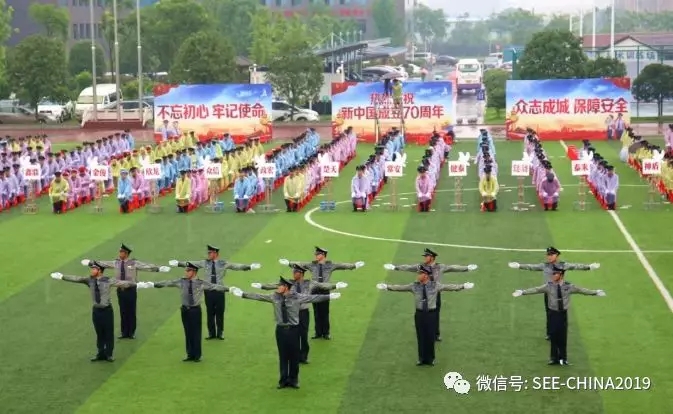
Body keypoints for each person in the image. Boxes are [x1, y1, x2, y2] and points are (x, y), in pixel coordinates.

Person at [230, 279, 340, 389]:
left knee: (294, 356)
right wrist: (243, 294)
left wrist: (329, 297)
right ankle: (283, 381)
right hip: (280, 330)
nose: (278, 287)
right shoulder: (274, 297)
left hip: (293, 330)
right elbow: (259, 296)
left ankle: (293, 380)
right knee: (283, 356)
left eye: (280, 286)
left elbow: (313, 298)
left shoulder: (296, 297)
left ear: (286, 287)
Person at [376, 265, 474, 366]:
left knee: (430, 336)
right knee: (421, 336)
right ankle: (421, 359)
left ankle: (430, 359)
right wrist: (387, 287)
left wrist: (463, 286)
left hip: (431, 314)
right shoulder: (414, 286)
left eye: (421, 274)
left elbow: (448, 287)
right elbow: (401, 288)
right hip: (419, 314)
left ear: (426, 275)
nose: (418, 276)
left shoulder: (435, 285)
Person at [251, 264, 348, 364]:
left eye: (295, 272)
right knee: (294, 336)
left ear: (301, 273)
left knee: (304, 335)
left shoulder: (309, 283)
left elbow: (322, 285)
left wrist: (336, 286)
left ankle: (303, 357)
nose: (293, 273)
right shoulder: (289, 283)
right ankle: (295, 356)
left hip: (303, 313)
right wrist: (261, 286)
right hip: (292, 313)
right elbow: (274, 285)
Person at [513, 265, 605, 365]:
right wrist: (522, 292)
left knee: (562, 337)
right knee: (553, 336)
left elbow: (582, 290)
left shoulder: (568, 286)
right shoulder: (548, 286)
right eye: (553, 274)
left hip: (563, 314)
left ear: (561, 275)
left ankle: (563, 359)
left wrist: (595, 292)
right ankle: (554, 358)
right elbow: (536, 290)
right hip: (553, 314)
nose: (553, 276)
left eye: (555, 274)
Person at [141, 262, 231, 362]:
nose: (186, 272)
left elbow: (215, 286)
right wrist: (153, 284)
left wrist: (229, 289)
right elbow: (168, 283)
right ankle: (189, 354)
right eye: (186, 270)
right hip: (185, 310)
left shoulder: (201, 283)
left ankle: (197, 355)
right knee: (188, 332)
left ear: (194, 272)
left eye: (188, 270)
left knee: (196, 333)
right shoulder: (182, 281)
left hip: (195, 310)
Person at [50, 261, 139, 362]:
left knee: (108, 333)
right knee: (99, 333)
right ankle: (100, 353)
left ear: (100, 270)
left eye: (94, 269)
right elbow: (76, 278)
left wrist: (137, 284)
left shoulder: (108, 280)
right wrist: (62, 276)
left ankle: (109, 354)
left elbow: (124, 283)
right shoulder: (89, 280)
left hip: (107, 311)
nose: (92, 271)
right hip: (96, 311)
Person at [168, 245, 262, 340]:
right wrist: (178, 263)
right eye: (208, 253)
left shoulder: (222, 263)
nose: (208, 254)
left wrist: (249, 267)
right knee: (210, 312)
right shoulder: (205, 263)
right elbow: (192, 263)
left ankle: (220, 332)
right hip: (208, 291)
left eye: (210, 253)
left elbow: (236, 266)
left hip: (220, 290)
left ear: (215, 253)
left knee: (220, 312)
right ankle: (211, 333)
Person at [384, 248, 477, 341]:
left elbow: (452, 268)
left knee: (435, 315)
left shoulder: (440, 267)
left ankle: (436, 334)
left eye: (426, 256)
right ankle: (424, 332)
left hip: (435, 294)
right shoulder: (421, 266)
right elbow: (408, 267)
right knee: (422, 312)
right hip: (423, 293)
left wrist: (467, 268)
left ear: (432, 257)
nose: (424, 258)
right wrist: (395, 267)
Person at [508, 247, 600, 340]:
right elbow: (532, 267)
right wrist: (519, 266)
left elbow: (575, 266)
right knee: (550, 314)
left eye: (551, 255)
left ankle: (560, 332)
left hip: (561, 293)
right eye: (548, 255)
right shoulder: (545, 266)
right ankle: (550, 333)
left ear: (557, 255)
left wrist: (589, 267)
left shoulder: (563, 265)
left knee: (561, 314)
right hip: (549, 293)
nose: (549, 257)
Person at [81, 243, 170, 339]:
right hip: (120, 290)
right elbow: (103, 263)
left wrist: (159, 269)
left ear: (126, 253)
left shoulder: (133, 263)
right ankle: (124, 332)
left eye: (121, 251)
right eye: (120, 251)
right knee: (123, 311)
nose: (119, 253)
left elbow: (146, 266)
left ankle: (131, 332)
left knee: (131, 311)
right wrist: (90, 262)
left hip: (131, 290)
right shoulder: (116, 262)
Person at [279, 247, 364, 339]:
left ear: (323, 255)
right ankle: (318, 333)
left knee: (325, 312)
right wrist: (289, 263)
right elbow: (300, 264)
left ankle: (326, 333)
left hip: (325, 290)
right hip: (314, 290)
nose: (315, 255)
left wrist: (354, 265)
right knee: (317, 312)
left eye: (317, 254)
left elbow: (342, 265)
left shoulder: (330, 265)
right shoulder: (312, 265)